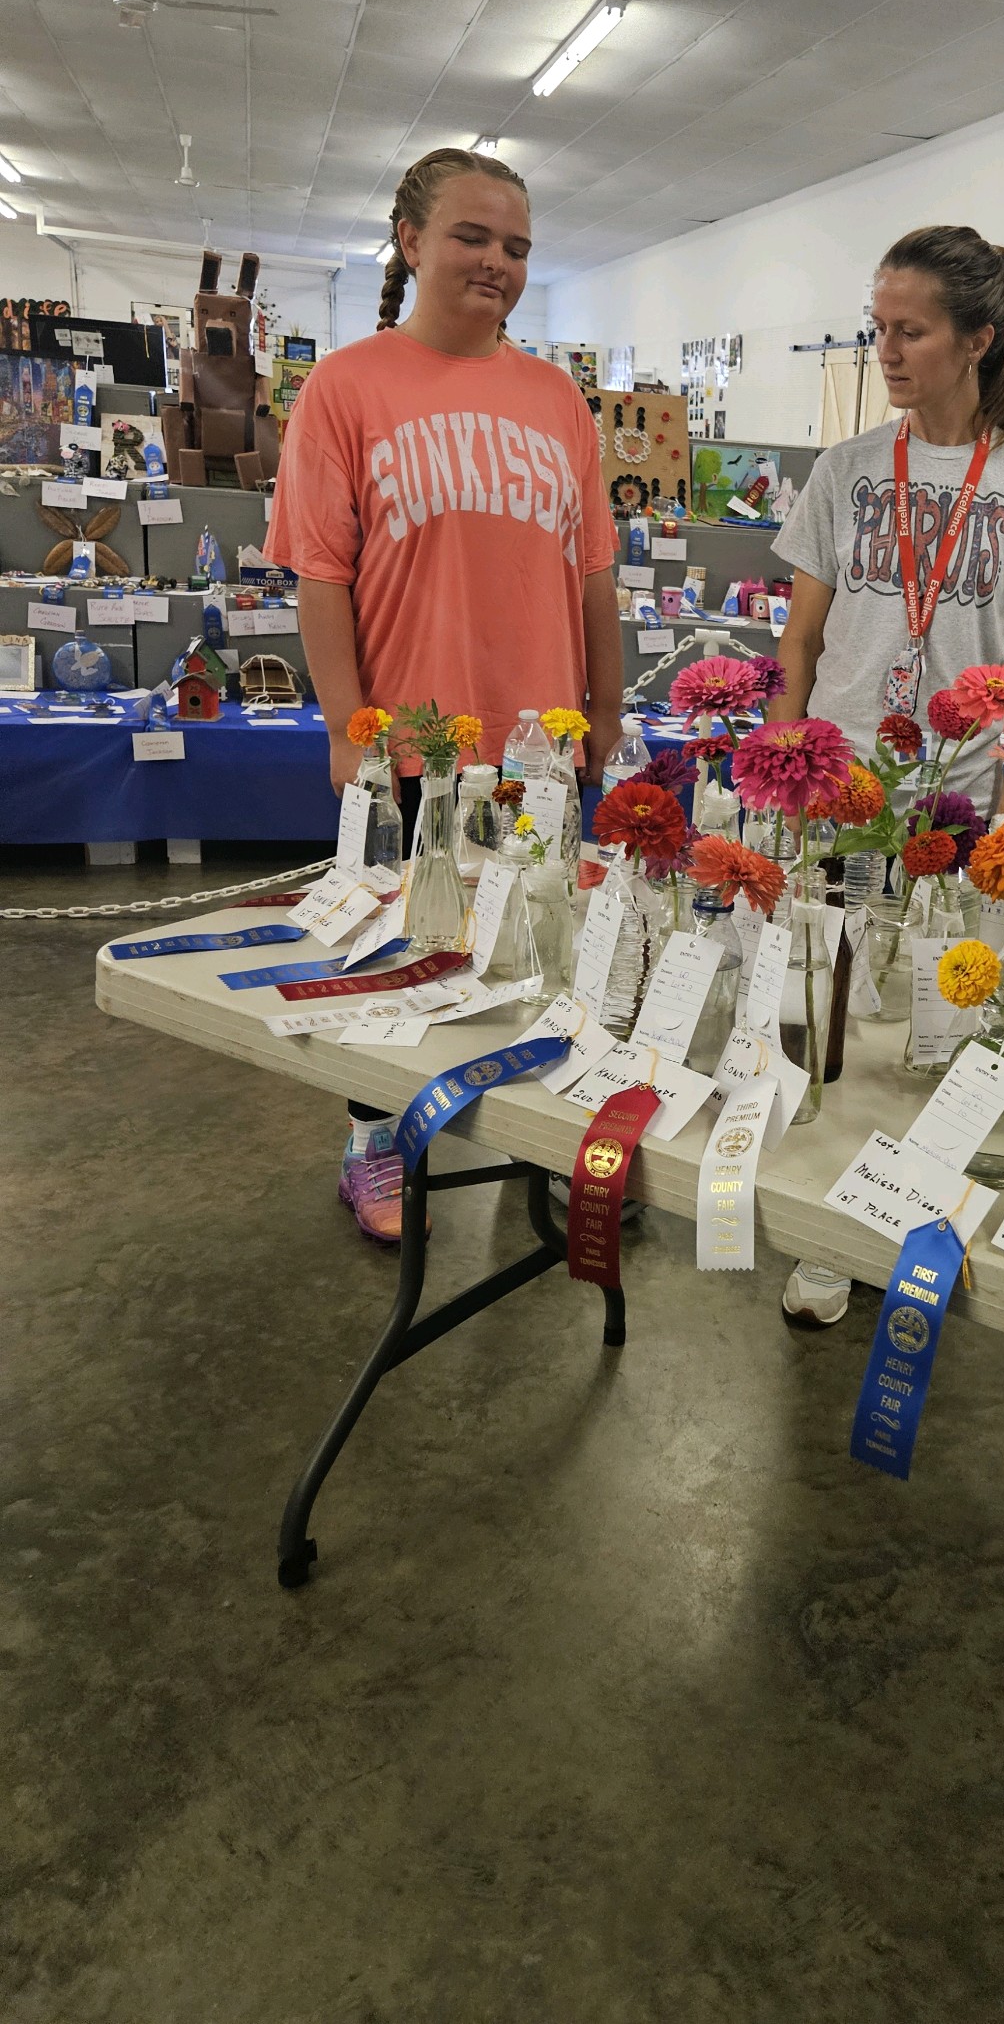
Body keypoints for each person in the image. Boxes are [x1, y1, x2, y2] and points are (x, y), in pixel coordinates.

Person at [265, 145, 622, 1242]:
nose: (497, 263)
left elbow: (593, 575)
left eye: (516, 246)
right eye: (471, 236)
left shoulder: (556, 398)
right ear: (412, 241)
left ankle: (558, 1143)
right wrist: (346, 727)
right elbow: (321, 573)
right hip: (411, 742)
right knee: (393, 960)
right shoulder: (347, 384)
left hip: (541, 750)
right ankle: (374, 1135)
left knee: (552, 954)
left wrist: (604, 717)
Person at [768, 223, 1004, 1324]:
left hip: (963, 795)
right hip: (847, 788)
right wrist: (781, 766)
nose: (887, 351)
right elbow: (799, 642)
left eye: (909, 332)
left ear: (977, 339)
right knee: (838, 1009)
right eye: (879, 328)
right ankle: (827, 1229)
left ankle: (918, 1210)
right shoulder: (845, 470)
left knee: (941, 1021)